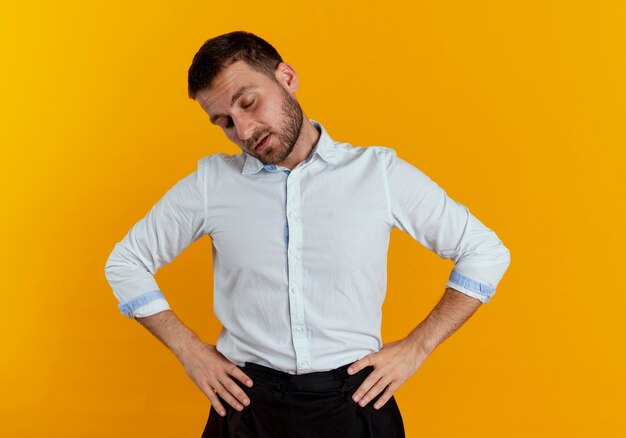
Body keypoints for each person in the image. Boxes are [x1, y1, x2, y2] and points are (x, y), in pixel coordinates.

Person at [104, 30, 511, 437]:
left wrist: (417, 347)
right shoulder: (212, 184)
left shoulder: (377, 174)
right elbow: (126, 263)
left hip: (357, 404)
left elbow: (484, 251)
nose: (244, 131)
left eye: (248, 102)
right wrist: (189, 350)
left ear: (287, 77)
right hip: (247, 407)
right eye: (224, 122)